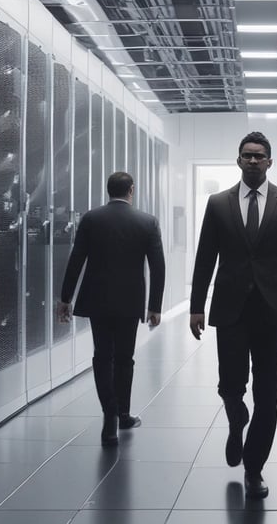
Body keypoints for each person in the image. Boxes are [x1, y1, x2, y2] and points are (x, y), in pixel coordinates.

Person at [189, 131, 277, 500]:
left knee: (267, 393)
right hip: (230, 309)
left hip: (274, 311)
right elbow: (205, 257)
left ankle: (254, 468)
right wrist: (196, 305)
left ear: (270, 161)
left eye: (259, 156)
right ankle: (236, 417)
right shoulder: (217, 203)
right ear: (238, 160)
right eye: (247, 155)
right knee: (230, 385)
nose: (253, 160)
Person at [58, 171, 165, 447]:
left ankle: (109, 415)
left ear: (109, 191)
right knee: (124, 357)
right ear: (131, 189)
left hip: (97, 299)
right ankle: (123, 413)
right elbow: (158, 266)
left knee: (102, 355)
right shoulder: (147, 222)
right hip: (130, 301)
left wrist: (65, 298)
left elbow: (76, 260)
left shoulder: (92, 219)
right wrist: (155, 306)